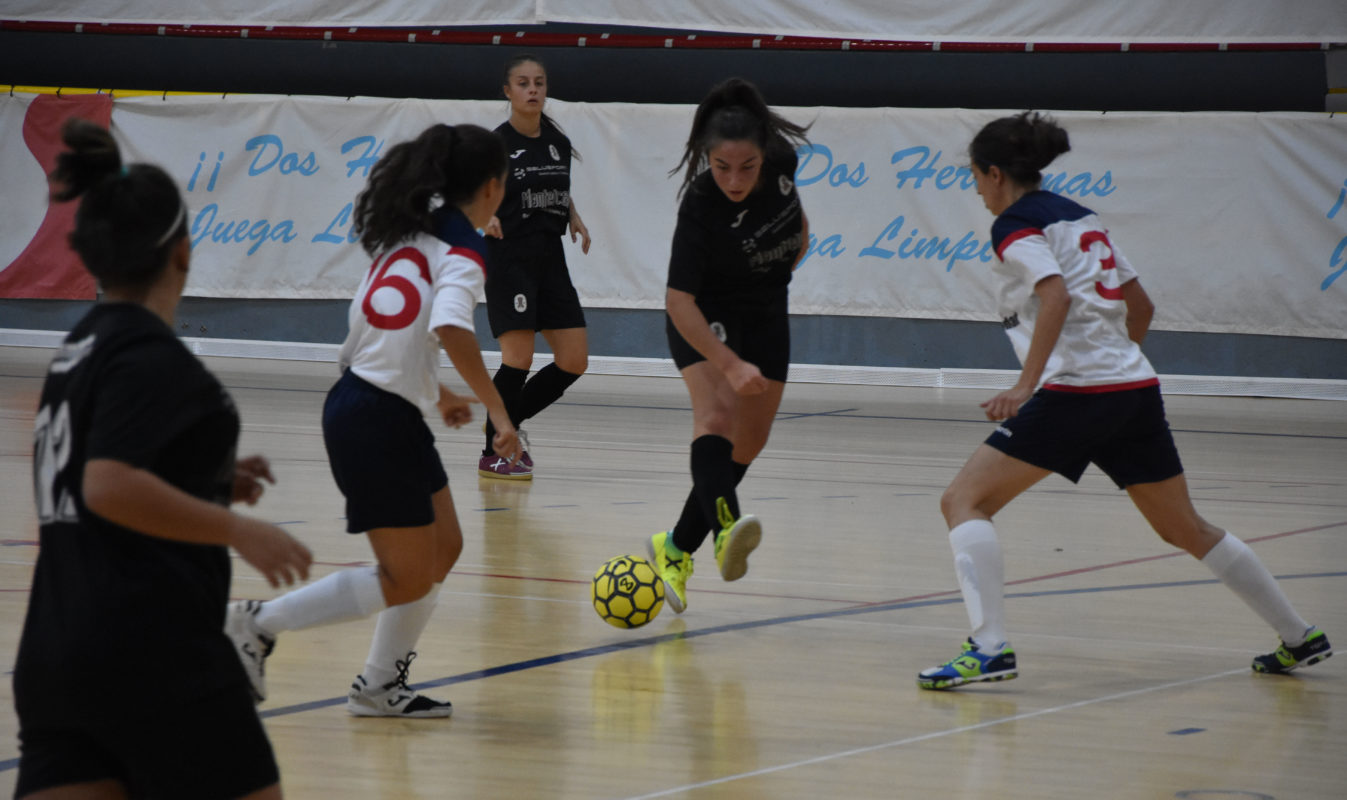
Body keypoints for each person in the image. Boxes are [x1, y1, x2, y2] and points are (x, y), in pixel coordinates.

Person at [917, 111, 1332, 690]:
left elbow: (1055, 296)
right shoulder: (1080, 217)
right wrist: (1114, 367)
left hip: (1078, 392)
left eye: (975, 178)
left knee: (963, 500)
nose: (977, 191)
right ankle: (1299, 635)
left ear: (993, 174)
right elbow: (1142, 308)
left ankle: (988, 649)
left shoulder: (1014, 225)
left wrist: (1026, 385)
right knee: (1185, 527)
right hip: (1134, 389)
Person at [14, 119, 314, 799]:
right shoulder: (150, 357)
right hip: (153, 650)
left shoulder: (76, 353)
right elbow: (107, 485)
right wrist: (239, 529)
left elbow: (96, 474)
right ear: (182, 250)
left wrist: (207, 480)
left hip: (56, 652)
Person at [225, 123, 521, 717]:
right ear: (493, 187)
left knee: (445, 547)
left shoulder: (405, 231)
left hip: (373, 404)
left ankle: (379, 686)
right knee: (407, 575)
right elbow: (449, 326)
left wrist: (436, 391)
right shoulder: (464, 252)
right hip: (375, 419)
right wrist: (498, 410)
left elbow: (388, 334)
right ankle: (256, 623)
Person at [642, 77, 810, 613]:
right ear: (706, 157)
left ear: (764, 154)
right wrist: (730, 363)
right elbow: (678, 301)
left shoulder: (782, 162)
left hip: (765, 308)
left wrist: (775, 268)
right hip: (704, 314)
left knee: (749, 443)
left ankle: (673, 549)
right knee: (716, 417)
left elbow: (797, 225)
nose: (734, 179)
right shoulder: (700, 206)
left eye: (747, 167)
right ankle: (726, 531)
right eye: (721, 167)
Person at [477, 53, 592, 480]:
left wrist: (573, 216)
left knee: (574, 359)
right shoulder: (495, 145)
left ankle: (505, 426)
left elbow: (554, 185)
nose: (532, 90)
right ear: (508, 91)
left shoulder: (557, 141)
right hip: (510, 259)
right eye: (523, 83)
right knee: (518, 358)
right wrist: (484, 214)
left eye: (539, 83)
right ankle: (494, 450)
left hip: (550, 258)